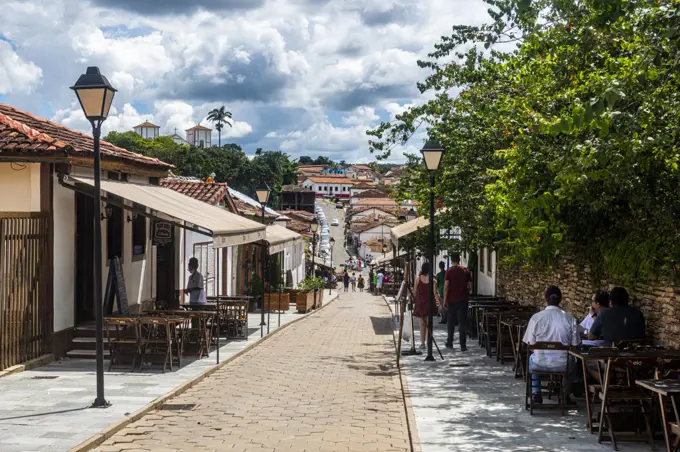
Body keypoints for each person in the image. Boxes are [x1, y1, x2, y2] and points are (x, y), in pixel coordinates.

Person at [523, 286, 581, 404]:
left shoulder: (536, 318)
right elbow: (575, 344)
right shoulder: (569, 318)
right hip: (563, 365)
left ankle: (536, 393)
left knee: (531, 359)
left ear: (545, 298)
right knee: (573, 360)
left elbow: (530, 343)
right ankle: (564, 392)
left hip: (540, 364)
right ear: (560, 299)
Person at [443, 253, 472, 351]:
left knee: (450, 322)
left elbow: (446, 286)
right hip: (463, 299)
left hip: (452, 300)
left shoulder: (449, 271)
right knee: (462, 323)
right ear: (459, 260)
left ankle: (450, 342)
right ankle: (463, 345)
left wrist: (445, 299)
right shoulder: (465, 270)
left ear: (451, 260)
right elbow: (470, 286)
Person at [413, 262, 440, 349]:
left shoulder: (417, 279)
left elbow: (414, 292)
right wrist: (439, 304)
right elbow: (435, 294)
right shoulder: (433, 280)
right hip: (429, 303)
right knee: (429, 323)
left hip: (420, 303)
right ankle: (429, 342)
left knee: (422, 324)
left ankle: (422, 343)